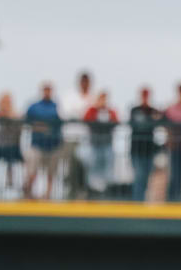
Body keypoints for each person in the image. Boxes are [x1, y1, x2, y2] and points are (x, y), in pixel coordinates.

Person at [24, 82, 62, 199]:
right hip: (37, 145)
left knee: (51, 173)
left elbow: (60, 123)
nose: (47, 92)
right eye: (45, 89)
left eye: (49, 89)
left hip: (53, 146)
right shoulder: (34, 107)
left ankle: (47, 195)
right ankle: (28, 193)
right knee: (32, 170)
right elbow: (26, 122)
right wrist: (39, 127)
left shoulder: (57, 107)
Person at [60, 71, 95, 199]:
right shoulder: (70, 96)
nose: (85, 84)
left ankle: (84, 194)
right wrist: (82, 113)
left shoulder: (93, 97)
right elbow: (65, 113)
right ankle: (71, 194)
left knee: (85, 169)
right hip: (71, 138)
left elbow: (92, 115)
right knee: (71, 168)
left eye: (87, 81)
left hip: (87, 139)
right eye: (83, 81)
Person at [0, 92, 23, 200]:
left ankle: (10, 182)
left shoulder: (15, 114)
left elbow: (19, 129)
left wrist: (9, 116)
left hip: (13, 146)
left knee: (11, 158)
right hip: (0, 146)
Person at [129, 87, 163, 202]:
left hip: (149, 151)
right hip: (137, 150)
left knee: (146, 179)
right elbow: (139, 125)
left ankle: (142, 201)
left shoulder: (153, 110)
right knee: (139, 177)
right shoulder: (135, 110)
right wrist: (151, 120)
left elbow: (160, 121)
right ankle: (137, 202)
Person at [83, 91, 119, 197]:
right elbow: (86, 119)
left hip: (107, 144)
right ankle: (93, 190)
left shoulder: (110, 111)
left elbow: (116, 120)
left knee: (108, 167)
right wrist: (96, 109)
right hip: (95, 144)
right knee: (94, 167)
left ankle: (107, 190)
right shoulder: (92, 110)